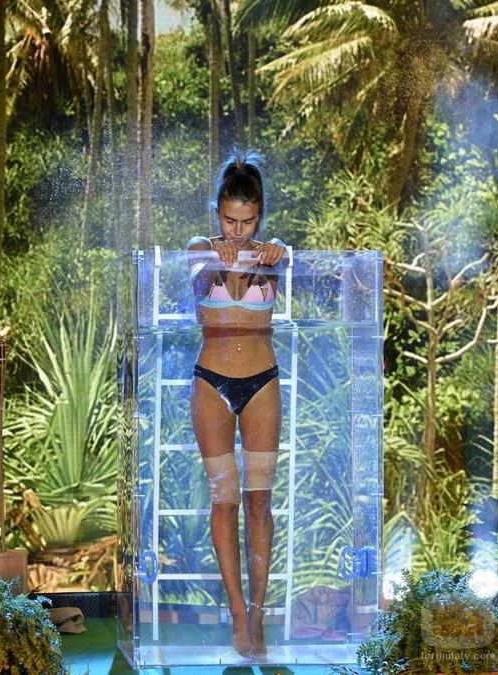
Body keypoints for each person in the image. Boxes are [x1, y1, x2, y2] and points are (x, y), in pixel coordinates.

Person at [186, 149, 287, 658]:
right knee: (223, 499)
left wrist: (276, 251)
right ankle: (237, 611)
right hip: (213, 384)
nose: (239, 230)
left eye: (248, 222)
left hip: (262, 382)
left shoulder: (273, 252)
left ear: (259, 215)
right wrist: (220, 259)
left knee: (259, 501)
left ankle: (259, 612)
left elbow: (282, 261)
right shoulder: (199, 249)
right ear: (217, 213)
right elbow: (201, 283)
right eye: (230, 220)